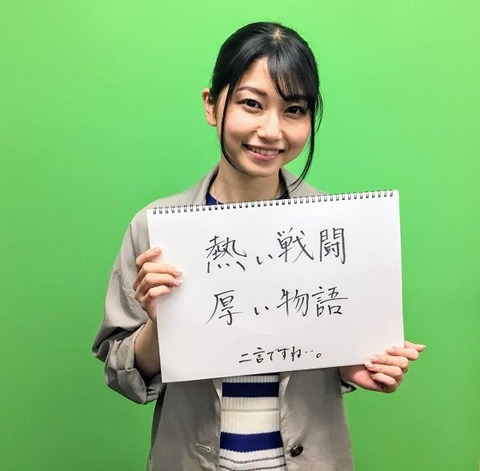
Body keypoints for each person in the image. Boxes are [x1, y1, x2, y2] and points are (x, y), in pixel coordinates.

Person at [93, 21, 425, 471]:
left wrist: (353, 364)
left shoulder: (336, 227)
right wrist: (160, 324)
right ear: (212, 105)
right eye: (252, 103)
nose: (271, 130)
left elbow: (334, 340)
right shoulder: (155, 228)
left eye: (294, 110)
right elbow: (122, 374)